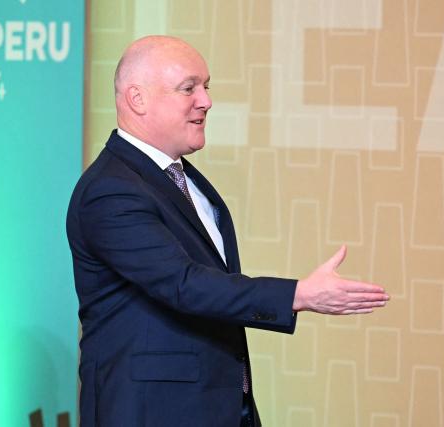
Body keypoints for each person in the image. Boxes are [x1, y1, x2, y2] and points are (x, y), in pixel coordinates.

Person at [66, 35, 389, 427]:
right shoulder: (110, 190)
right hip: (152, 412)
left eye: (206, 86)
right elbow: (183, 284)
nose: (206, 101)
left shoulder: (182, 179)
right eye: (189, 88)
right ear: (138, 98)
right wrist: (298, 294)